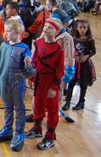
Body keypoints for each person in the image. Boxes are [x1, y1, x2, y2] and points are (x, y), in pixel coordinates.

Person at [0, 18, 34, 152]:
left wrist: (28, 64)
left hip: (17, 82)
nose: (5, 33)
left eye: (8, 31)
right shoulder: (4, 46)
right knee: (7, 107)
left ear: (17, 32)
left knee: (19, 108)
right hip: (5, 81)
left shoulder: (24, 48)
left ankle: (19, 133)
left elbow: (30, 70)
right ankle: (7, 129)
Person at [26, 18, 64, 150]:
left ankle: (50, 136)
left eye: (50, 27)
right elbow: (35, 61)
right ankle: (37, 128)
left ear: (56, 32)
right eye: (46, 26)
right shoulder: (39, 42)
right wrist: (31, 77)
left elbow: (60, 70)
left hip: (50, 81)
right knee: (38, 104)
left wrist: (54, 86)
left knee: (52, 109)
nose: (46, 28)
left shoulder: (59, 49)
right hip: (39, 79)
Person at [63, 19, 96, 111]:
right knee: (71, 83)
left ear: (87, 28)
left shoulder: (90, 40)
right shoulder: (73, 39)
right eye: (80, 27)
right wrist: (74, 55)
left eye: (84, 28)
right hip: (75, 64)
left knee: (83, 84)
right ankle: (68, 101)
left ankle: (81, 102)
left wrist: (86, 56)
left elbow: (93, 51)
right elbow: (70, 49)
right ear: (76, 28)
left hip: (85, 65)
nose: (82, 29)